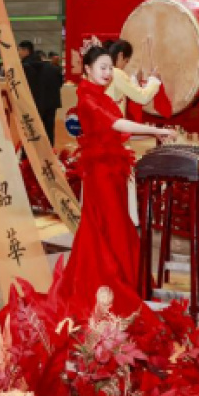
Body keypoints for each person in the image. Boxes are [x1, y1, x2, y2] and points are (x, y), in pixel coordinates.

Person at [50, 43, 173, 322]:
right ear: (88, 69)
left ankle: (121, 279)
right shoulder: (88, 99)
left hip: (111, 172)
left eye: (109, 68)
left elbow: (119, 129)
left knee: (112, 224)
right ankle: (110, 283)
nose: (107, 73)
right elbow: (118, 125)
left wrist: (152, 132)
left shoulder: (101, 96)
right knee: (109, 225)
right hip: (100, 174)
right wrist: (156, 129)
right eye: (102, 68)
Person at [20, 40, 63, 144]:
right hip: (51, 104)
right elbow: (59, 83)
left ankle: (33, 153)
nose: (18, 53)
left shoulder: (24, 67)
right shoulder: (53, 68)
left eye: (19, 50)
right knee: (49, 130)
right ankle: (49, 152)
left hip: (33, 104)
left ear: (26, 51)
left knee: (33, 131)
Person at [104, 39, 161, 116]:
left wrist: (134, 81)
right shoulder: (116, 73)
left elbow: (121, 90)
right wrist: (154, 80)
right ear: (120, 55)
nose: (125, 65)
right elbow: (143, 98)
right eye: (126, 61)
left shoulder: (105, 72)